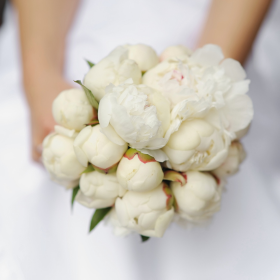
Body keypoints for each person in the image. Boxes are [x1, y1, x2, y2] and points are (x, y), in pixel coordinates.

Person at [1, 0, 279, 279]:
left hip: (221, 28)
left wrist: (206, 91)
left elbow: (215, 74)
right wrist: (40, 77)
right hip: (55, 27)